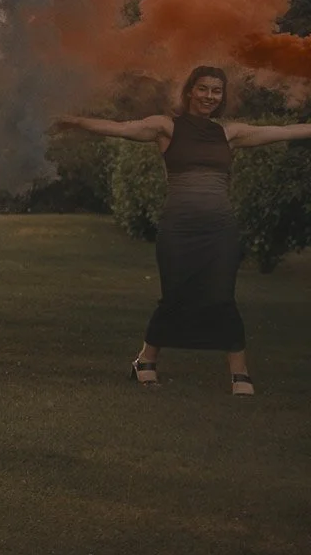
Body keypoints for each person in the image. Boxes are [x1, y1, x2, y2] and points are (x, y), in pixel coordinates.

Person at [55, 66, 311, 396]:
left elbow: (286, 130)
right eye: (203, 89)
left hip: (219, 229)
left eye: (216, 91)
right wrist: (74, 122)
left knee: (222, 296)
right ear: (190, 91)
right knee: (175, 296)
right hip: (179, 228)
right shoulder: (166, 128)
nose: (209, 96)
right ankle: (145, 361)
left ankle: (240, 373)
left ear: (222, 96)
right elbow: (119, 128)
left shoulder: (230, 134)